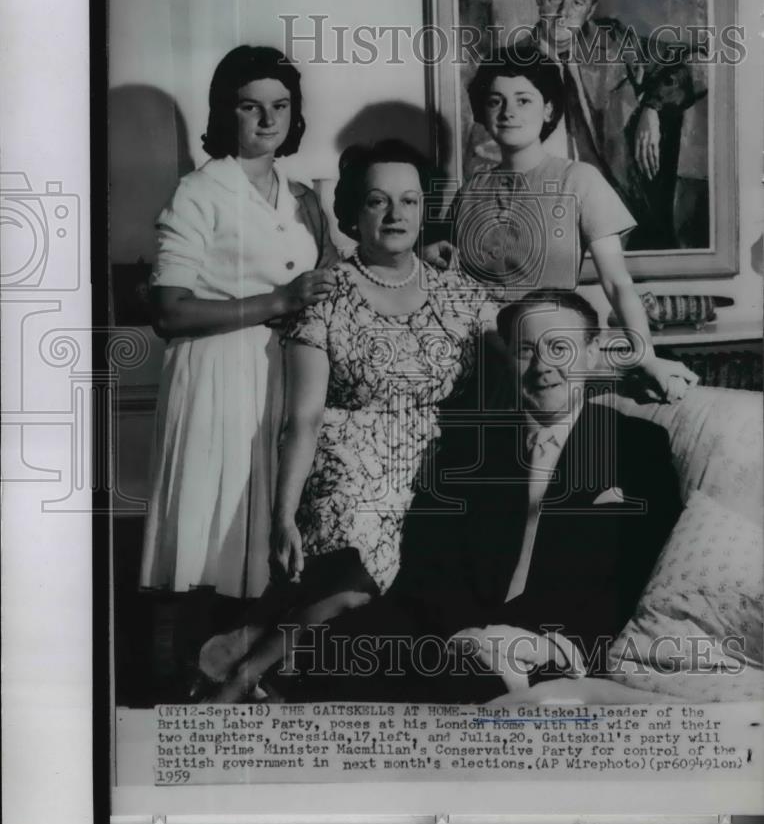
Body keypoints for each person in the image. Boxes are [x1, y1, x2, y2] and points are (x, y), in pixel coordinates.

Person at [196, 139, 491, 700]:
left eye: (408, 200)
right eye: (378, 201)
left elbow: (533, 338)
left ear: (425, 210)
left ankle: (250, 645)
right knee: (360, 577)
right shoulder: (325, 297)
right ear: (354, 213)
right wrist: (284, 516)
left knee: (419, 588)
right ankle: (246, 676)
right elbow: (302, 419)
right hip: (348, 463)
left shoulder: (461, 293)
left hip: (436, 465)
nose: (396, 214)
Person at [287, 290, 683, 703]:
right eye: (526, 350)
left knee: (457, 692)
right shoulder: (469, 447)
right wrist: (466, 635)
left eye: (560, 348)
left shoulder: (637, 446)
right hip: (453, 634)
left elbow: (644, 573)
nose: (543, 367)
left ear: (592, 353)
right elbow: (426, 558)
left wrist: (560, 645)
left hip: (553, 645)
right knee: (330, 649)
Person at [139, 45, 337, 601]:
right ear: (226, 113)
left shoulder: (302, 197)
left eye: (281, 105)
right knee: (213, 539)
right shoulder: (200, 192)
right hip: (216, 377)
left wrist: (423, 253)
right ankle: (189, 670)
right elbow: (168, 312)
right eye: (251, 107)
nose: (269, 119)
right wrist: (278, 300)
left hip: (285, 376)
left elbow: (332, 277)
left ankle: (244, 672)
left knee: (270, 533)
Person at [430, 49, 697, 403]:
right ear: (483, 111)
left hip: (547, 355)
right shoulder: (470, 192)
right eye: (496, 101)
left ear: (549, 110)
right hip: (476, 359)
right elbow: (448, 285)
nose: (509, 112)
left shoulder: (578, 180)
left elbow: (617, 283)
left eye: (523, 100)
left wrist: (644, 354)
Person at [465, 0, 706, 249]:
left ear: (590, 10)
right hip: (547, 213)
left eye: (577, 2)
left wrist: (652, 107)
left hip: (623, 207)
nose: (563, 12)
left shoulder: (615, 43)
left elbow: (699, 64)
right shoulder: (505, 67)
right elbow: (481, 160)